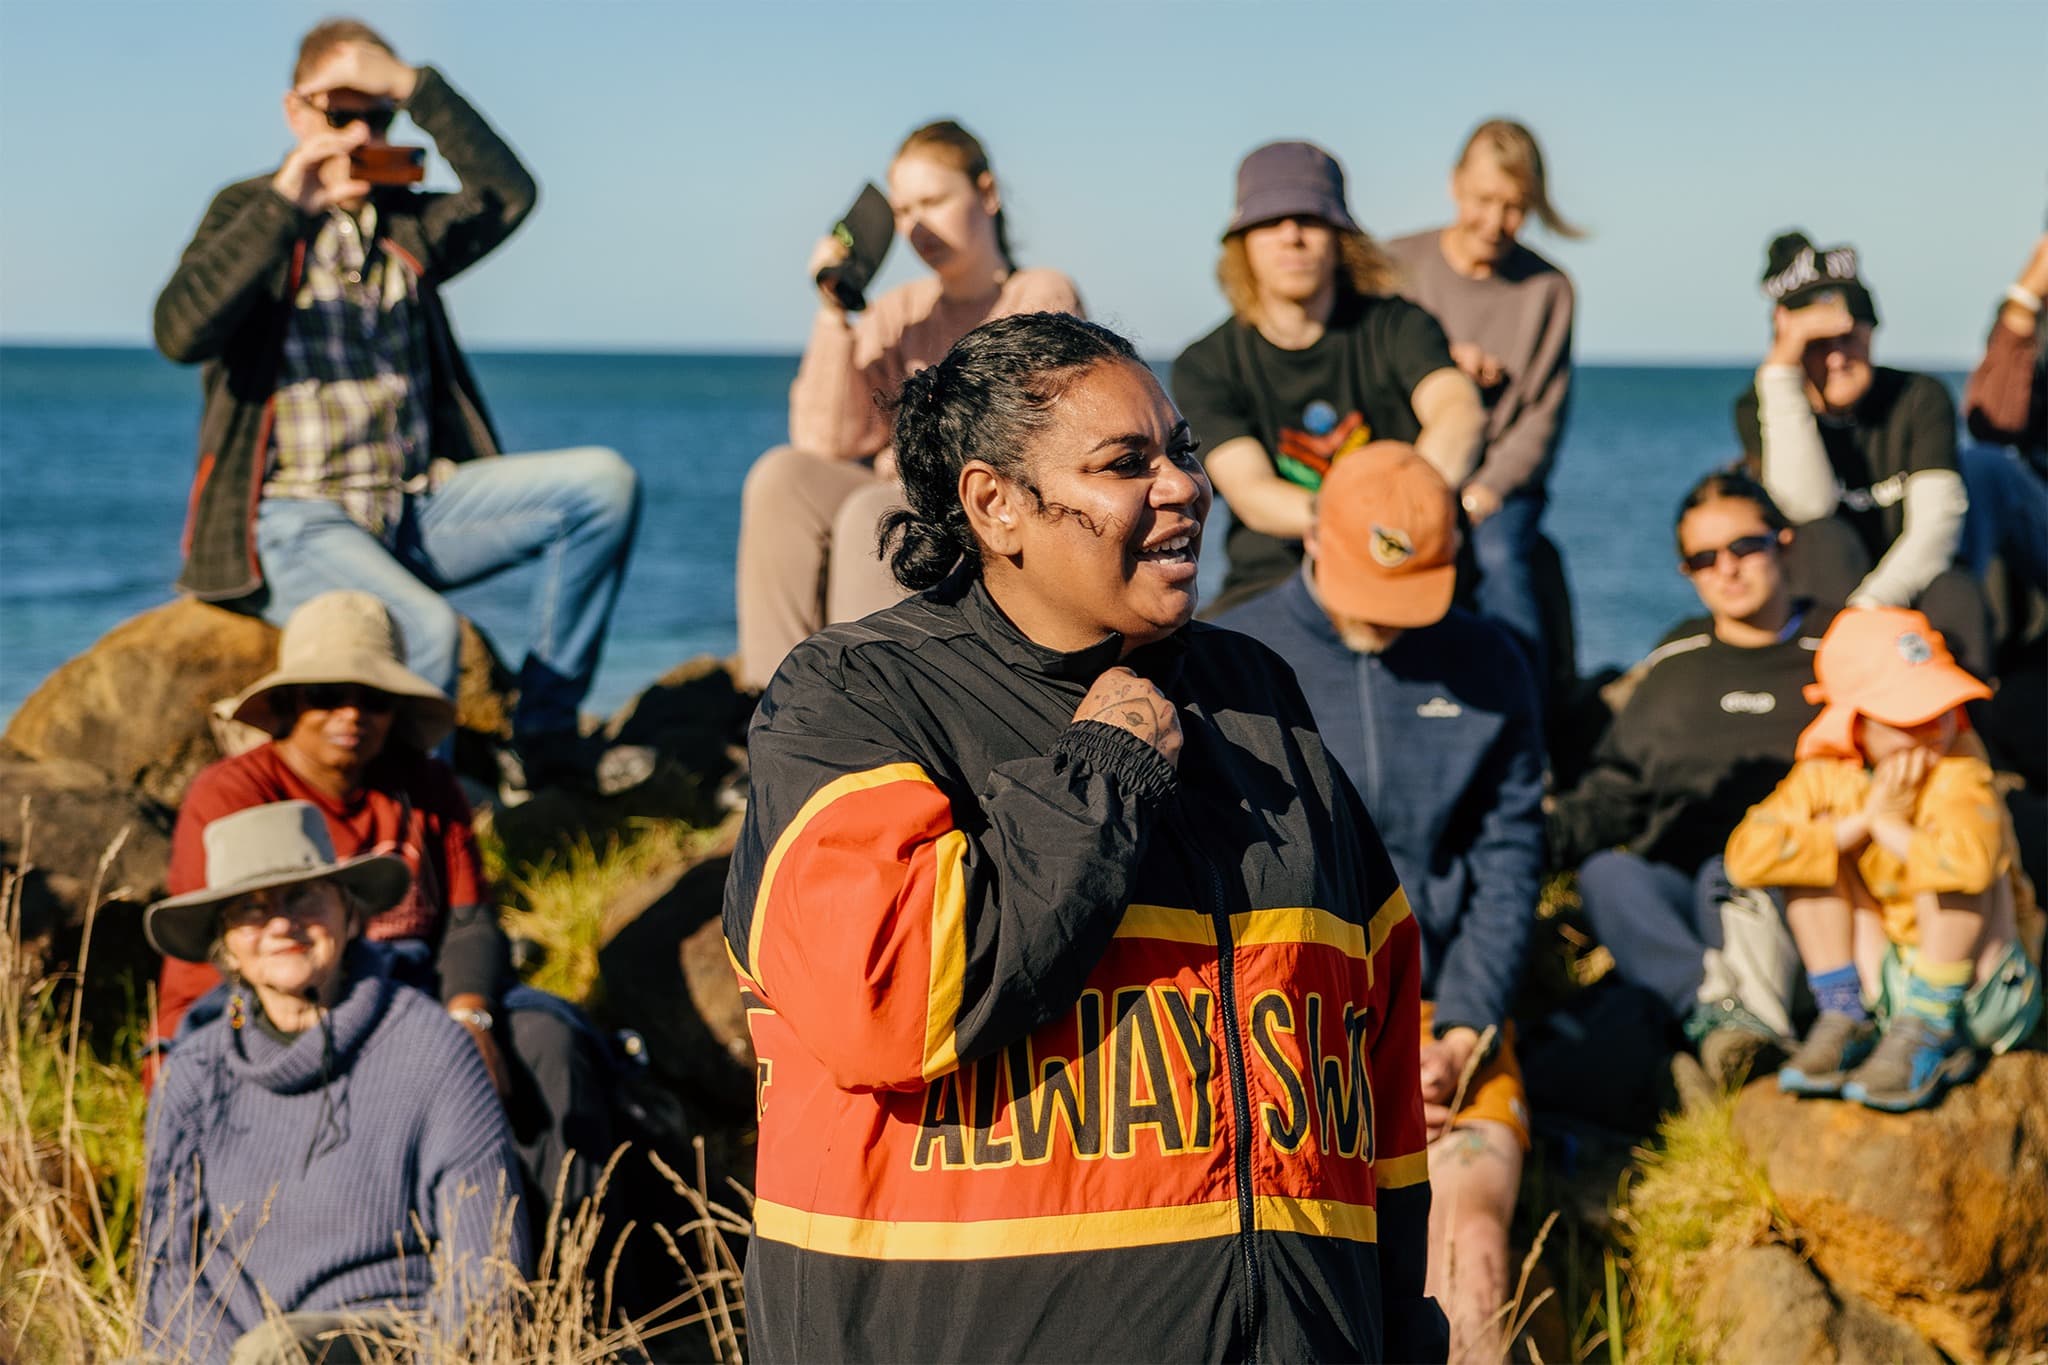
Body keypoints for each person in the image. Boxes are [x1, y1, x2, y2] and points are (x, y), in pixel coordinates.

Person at [722, 312, 1443, 1361]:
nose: (1182, 486)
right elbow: (893, 994)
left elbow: (1369, 1049)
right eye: (1125, 463)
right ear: (994, 504)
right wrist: (1102, 767)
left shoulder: (1257, 701)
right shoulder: (856, 698)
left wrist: (1400, 1333)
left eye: (1182, 451)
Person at [152, 18, 642, 790]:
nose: (356, 131)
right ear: (295, 112)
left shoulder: (406, 224)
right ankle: (427, 848)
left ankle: (542, 735)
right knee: (423, 629)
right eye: (338, 111)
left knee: (604, 486)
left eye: (375, 113)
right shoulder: (248, 210)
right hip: (293, 515)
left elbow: (510, 194)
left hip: (417, 507)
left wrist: (419, 85)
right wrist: (290, 204)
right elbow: (180, 330)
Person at [1215, 443, 1542, 1363]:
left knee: (1468, 1249)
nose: (1388, 621)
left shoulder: (1493, 664)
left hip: (1447, 1015)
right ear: (1310, 534)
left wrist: (1462, 1035)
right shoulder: (1229, 657)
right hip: (1284, 1017)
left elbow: (1510, 856)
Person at [151, 591, 613, 1229]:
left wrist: (470, 1018)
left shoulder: (425, 785)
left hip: (420, 991)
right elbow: (220, 955)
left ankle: (564, 1270)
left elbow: (469, 921)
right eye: (328, 694)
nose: (352, 713)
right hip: (289, 1001)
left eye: (374, 697)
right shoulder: (234, 793)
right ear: (287, 704)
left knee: (549, 1041)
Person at [140, 800, 529, 1364]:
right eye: (249, 909)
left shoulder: (429, 1046)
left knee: (276, 1351)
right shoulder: (194, 1073)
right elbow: (167, 1273)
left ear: (350, 916)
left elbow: (488, 1264)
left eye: (303, 897)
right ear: (225, 946)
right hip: (229, 1355)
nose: (279, 923)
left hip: (386, 1339)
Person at [734, 119, 1084, 689]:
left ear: (987, 194)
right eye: (902, 210)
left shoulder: (1040, 293)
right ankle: (774, 700)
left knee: (871, 509)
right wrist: (834, 311)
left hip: (991, 502)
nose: (917, 223)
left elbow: (1015, 434)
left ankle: (862, 705)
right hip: (894, 489)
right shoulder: (899, 311)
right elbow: (826, 442)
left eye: (933, 200)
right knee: (781, 477)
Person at [1548, 472, 1834, 1082]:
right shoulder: (1676, 658)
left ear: (1784, 543)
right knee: (1609, 874)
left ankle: (1725, 1033)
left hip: (1795, 895)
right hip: (1677, 914)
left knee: (1723, 874)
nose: (1725, 569)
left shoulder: (1837, 646)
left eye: (1744, 547)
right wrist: (1526, 843)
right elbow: (1617, 788)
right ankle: (1721, 1019)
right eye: (1702, 558)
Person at [1726, 607, 2043, 1111]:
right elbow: (1744, 860)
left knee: (1964, 865)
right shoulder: (1826, 776)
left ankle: (1930, 1026)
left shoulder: (1960, 769)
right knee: (1809, 856)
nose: (1934, 729)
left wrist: (1891, 828)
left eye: (1941, 708)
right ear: (1853, 722)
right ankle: (1846, 1014)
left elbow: (1972, 869)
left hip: (1981, 987)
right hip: (1888, 982)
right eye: (1908, 717)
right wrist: (1856, 825)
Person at [1174, 140, 1485, 609]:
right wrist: (1353, 518)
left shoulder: (1399, 325)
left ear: (1341, 237)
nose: (1291, 235)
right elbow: (1252, 491)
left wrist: (1401, 508)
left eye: (1310, 219)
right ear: (1243, 241)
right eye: (1270, 221)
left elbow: (1458, 411)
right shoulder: (1206, 364)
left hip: (1403, 560)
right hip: (1278, 575)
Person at [1734, 231, 1989, 679]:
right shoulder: (1760, 406)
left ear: (1871, 332)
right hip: (1824, 590)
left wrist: (1868, 609)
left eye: (1849, 337)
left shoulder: (1919, 396)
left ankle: (1966, 731)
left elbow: (1937, 527)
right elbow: (1806, 506)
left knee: (1956, 590)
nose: (1837, 357)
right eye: (1817, 343)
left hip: (1905, 588)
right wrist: (1779, 375)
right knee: (1823, 538)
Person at [1385, 118, 1582, 675]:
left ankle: (1525, 709)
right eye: (1483, 200)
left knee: (1498, 559)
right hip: (1407, 466)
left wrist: (1487, 489)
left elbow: (1545, 412)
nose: (1495, 222)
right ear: (1455, 185)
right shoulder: (1396, 266)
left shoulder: (1550, 289)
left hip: (1498, 484)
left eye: (1514, 207)